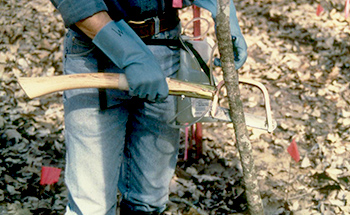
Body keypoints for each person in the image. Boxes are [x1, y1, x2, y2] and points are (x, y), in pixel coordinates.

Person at [49, 0, 247, 214]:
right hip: (95, 49)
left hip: (164, 42)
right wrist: (131, 55)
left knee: (148, 201)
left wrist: (219, 6)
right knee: (90, 206)